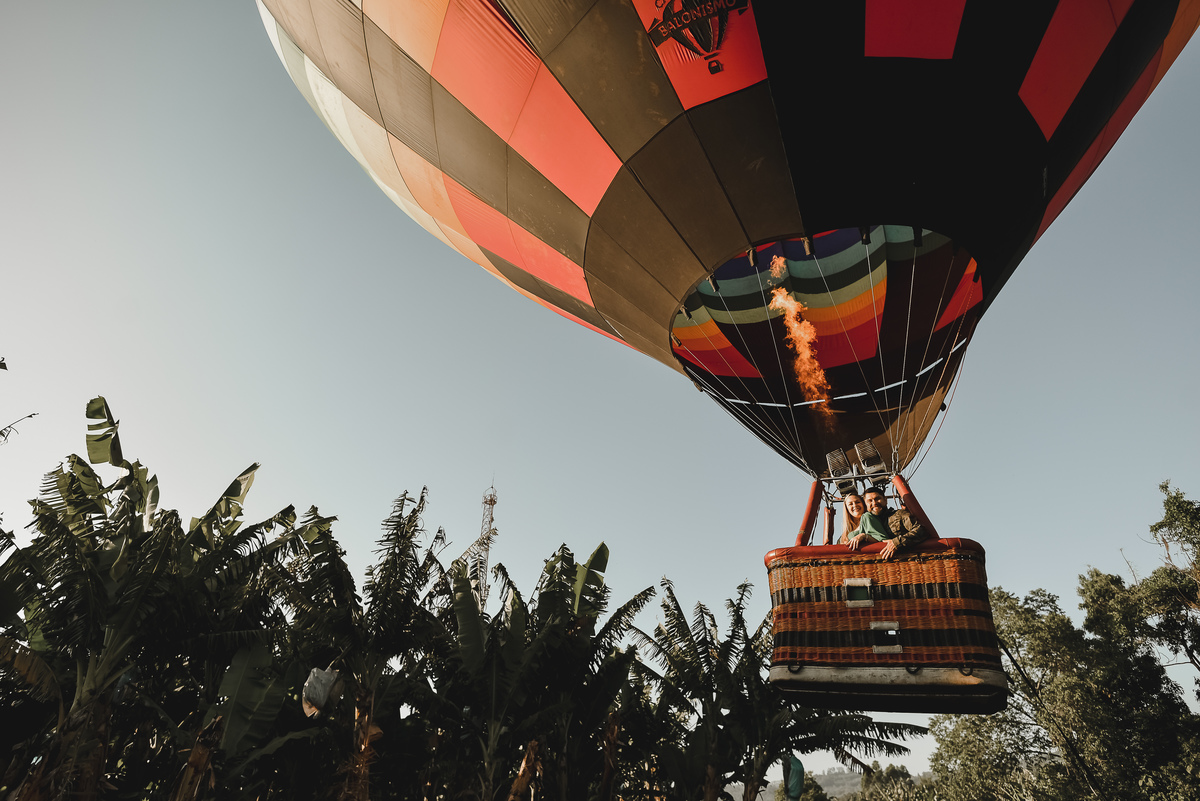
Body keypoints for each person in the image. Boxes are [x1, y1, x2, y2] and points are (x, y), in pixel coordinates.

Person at [845, 485, 927, 560]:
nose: (874, 503)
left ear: (885, 500)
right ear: (866, 504)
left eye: (877, 499)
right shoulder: (866, 524)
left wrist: (897, 543)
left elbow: (921, 530)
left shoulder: (899, 515)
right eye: (870, 501)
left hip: (906, 560)